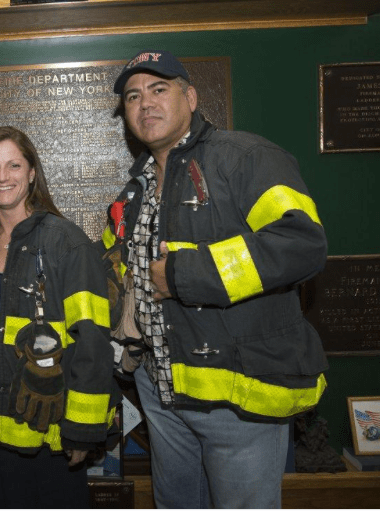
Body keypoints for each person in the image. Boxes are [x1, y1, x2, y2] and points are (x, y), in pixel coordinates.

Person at [102, 50, 329, 508]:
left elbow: (302, 243)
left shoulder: (246, 157)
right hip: (162, 392)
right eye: (133, 96)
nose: (145, 103)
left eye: (159, 89)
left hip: (235, 399)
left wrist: (186, 274)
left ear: (190, 97)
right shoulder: (135, 190)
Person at [0, 126, 116, 508]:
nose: (2, 177)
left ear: (32, 172)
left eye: (13, 165)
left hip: (43, 431)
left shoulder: (66, 243)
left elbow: (92, 339)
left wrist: (84, 429)